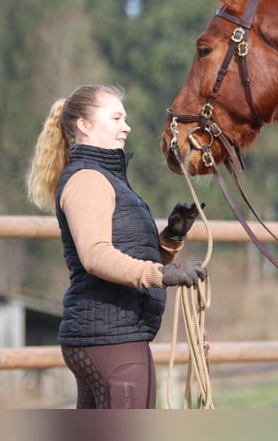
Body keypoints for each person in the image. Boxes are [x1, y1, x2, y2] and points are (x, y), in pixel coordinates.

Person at [26, 83, 206, 409]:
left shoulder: (108, 179)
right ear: (85, 124)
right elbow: (95, 256)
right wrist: (163, 275)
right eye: (116, 117)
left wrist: (171, 238)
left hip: (115, 334)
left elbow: (131, 255)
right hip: (111, 338)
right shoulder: (88, 180)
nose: (127, 126)